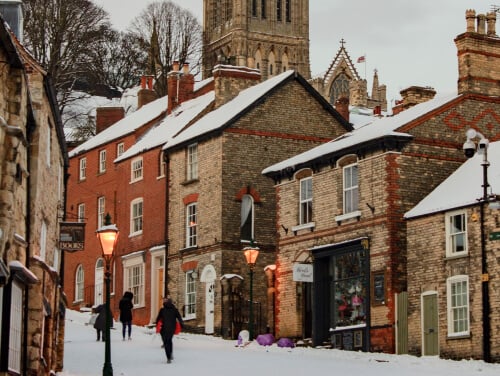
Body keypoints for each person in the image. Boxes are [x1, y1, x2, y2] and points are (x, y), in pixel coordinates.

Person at [155, 297, 184, 363]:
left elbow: (158, 319)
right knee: (169, 341)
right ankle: (170, 354)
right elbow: (179, 317)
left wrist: (157, 326)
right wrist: (182, 324)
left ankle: (168, 357)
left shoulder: (162, 310)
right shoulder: (175, 310)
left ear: (164, 303)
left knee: (166, 343)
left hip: (163, 328)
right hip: (171, 328)